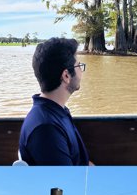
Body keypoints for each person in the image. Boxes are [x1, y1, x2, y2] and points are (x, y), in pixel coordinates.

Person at [19, 37, 91, 165]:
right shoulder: (46, 129)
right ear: (66, 76)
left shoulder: (57, 111)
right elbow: (65, 182)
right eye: (79, 65)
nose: (81, 70)